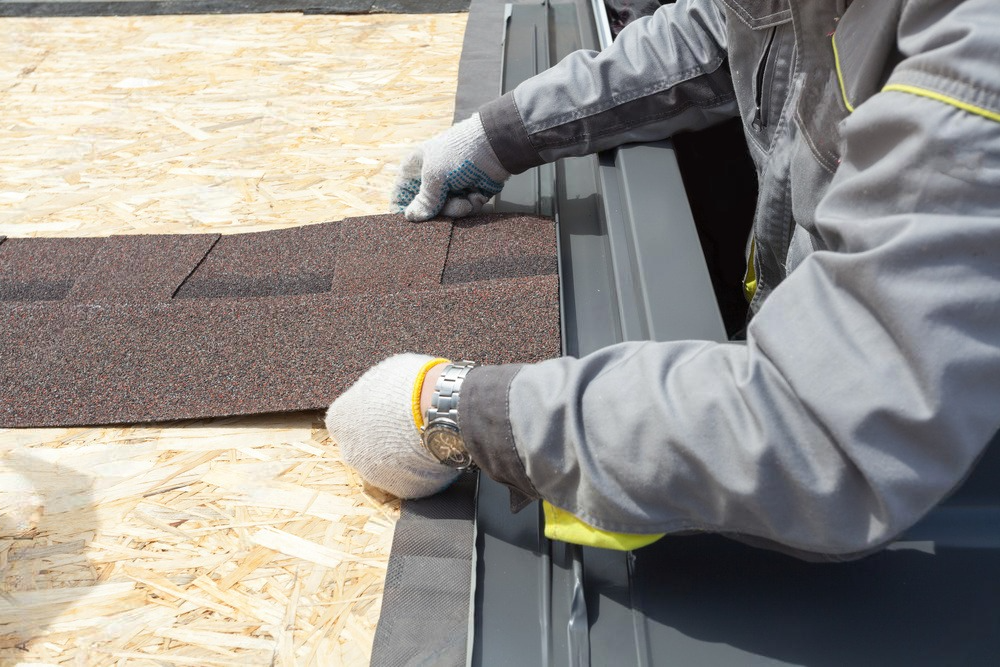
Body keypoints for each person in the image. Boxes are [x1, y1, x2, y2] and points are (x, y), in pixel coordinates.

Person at [326, 0, 1000, 559]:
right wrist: (505, 133)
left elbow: (829, 429)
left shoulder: (977, 49)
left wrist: (457, 416)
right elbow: (717, 31)